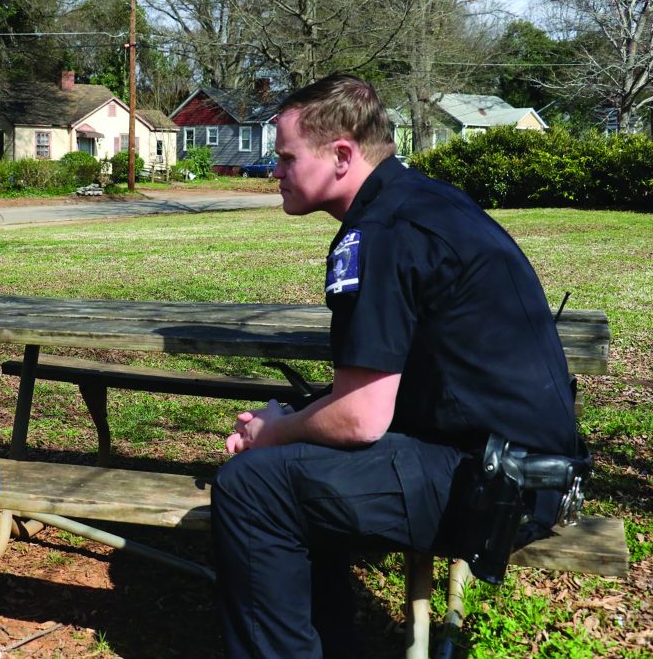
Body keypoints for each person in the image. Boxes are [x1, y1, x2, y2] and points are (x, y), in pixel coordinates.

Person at [211, 75, 584, 658]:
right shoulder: (419, 200)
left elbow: (361, 419)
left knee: (251, 486)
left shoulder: (381, 232)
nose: (272, 169)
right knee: (292, 466)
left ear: (340, 155)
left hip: (501, 486)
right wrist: (292, 428)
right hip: (515, 464)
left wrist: (271, 433)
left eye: (285, 156)